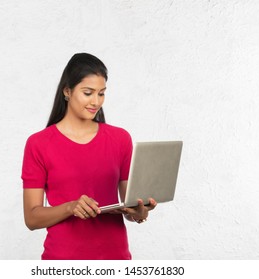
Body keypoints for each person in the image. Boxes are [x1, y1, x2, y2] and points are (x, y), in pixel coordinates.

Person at [21, 53, 157, 260]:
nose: (96, 101)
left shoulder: (119, 138)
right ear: (67, 91)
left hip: (115, 259)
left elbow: (129, 204)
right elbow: (32, 218)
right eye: (88, 93)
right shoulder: (39, 144)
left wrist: (139, 213)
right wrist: (70, 207)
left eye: (101, 94)